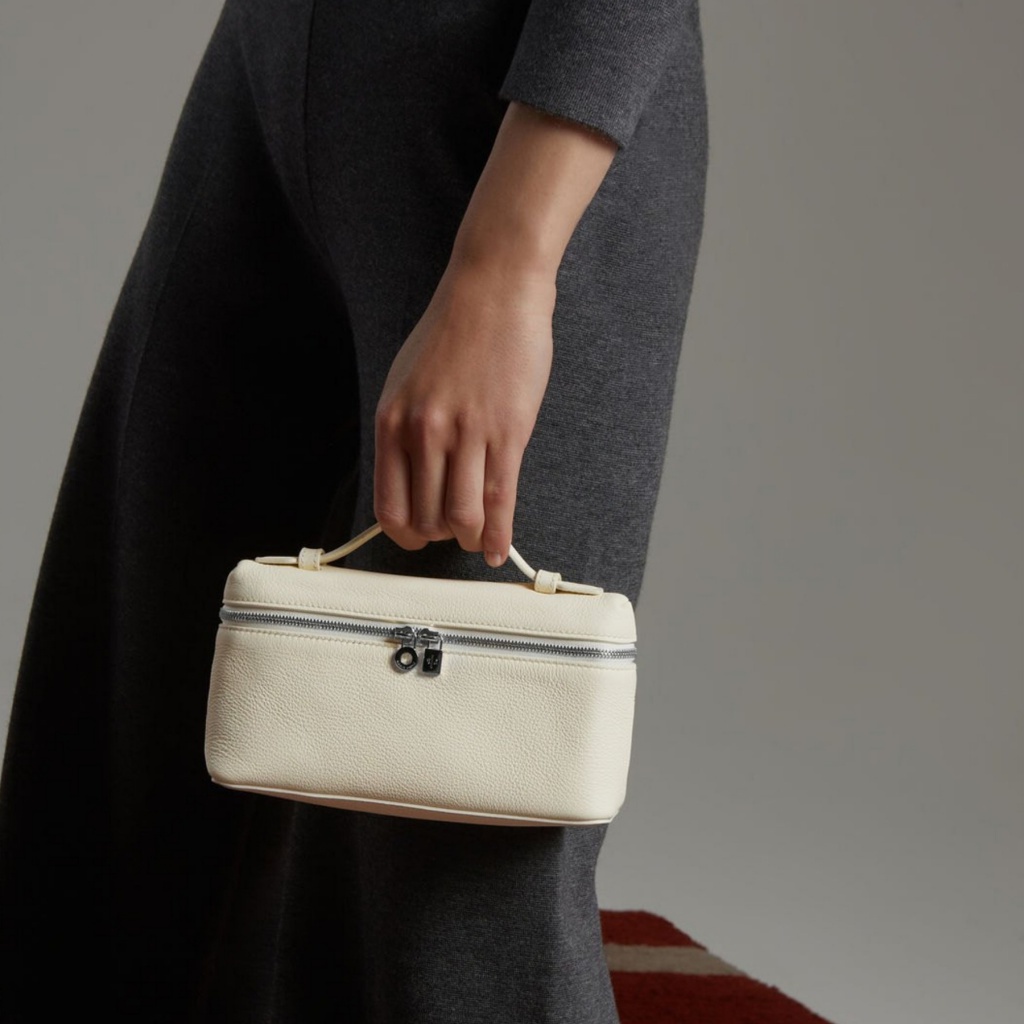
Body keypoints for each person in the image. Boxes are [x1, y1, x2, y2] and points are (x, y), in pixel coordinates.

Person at [0, 0, 708, 1020]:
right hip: (268, 68)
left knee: (456, 847)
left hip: (509, 114)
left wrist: (507, 263)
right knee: (125, 770)